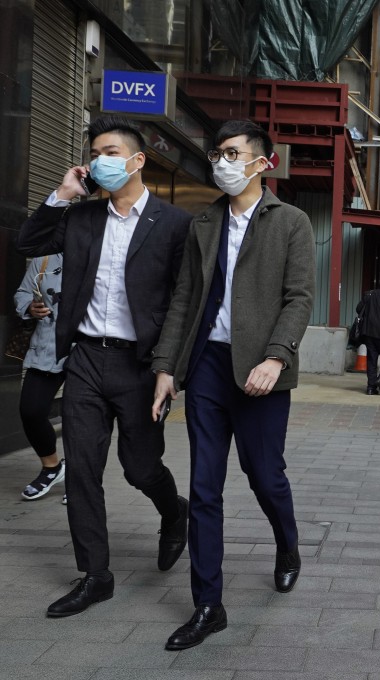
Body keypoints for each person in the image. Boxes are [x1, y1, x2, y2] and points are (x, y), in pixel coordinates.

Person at [150, 119, 315, 650]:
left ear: (262, 163)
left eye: (232, 153)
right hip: (206, 370)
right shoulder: (204, 223)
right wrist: (166, 366)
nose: (222, 162)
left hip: (260, 370)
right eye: (217, 152)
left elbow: (299, 298)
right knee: (204, 487)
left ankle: (287, 545)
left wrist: (276, 356)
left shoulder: (290, 222)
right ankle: (208, 605)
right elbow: (183, 301)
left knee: (264, 475)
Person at [18, 116, 191, 618]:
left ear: (138, 160)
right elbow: (27, 245)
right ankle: (96, 575)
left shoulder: (175, 223)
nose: (100, 161)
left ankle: (173, 511)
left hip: (141, 366)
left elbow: (182, 300)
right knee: (83, 473)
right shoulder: (83, 217)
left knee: (139, 468)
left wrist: (169, 367)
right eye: (95, 152)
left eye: (110, 151)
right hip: (88, 359)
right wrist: (62, 193)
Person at [14, 254, 66, 502]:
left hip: (88, 351)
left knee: (83, 419)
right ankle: (52, 467)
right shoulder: (45, 260)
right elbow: (23, 292)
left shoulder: (103, 253)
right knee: (31, 411)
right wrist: (29, 307)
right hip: (47, 347)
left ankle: (82, 478)